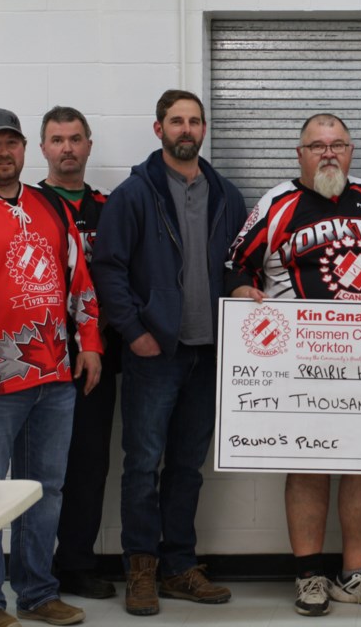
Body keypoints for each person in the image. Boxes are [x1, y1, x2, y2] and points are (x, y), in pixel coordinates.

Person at [227, 113, 361, 617]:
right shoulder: (277, 203)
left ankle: (356, 573)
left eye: (338, 145)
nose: (329, 154)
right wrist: (242, 287)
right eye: (317, 146)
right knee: (308, 459)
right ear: (300, 154)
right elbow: (237, 259)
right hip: (304, 358)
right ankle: (309, 575)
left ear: (351, 151)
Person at [92, 90, 246, 616]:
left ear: (204, 130)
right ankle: (141, 567)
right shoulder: (134, 194)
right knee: (142, 465)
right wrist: (134, 331)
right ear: (158, 129)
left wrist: (243, 294)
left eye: (194, 121)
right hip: (154, 353)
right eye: (176, 121)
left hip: (208, 354)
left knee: (187, 466)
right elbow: (108, 268)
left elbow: (239, 262)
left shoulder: (227, 194)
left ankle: (180, 565)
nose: (187, 129)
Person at [0, 108, 103, 627]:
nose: (3, 153)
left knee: (46, 489)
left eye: (12, 144)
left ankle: (38, 593)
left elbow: (78, 277)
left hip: (56, 376)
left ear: (25, 150)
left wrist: (89, 343)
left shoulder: (48, 204)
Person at [36, 105, 119, 601]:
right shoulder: (26, 205)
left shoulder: (110, 207)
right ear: (43, 148)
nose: (66, 147)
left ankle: (76, 564)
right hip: (38, 357)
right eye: (56, 139)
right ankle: (33, 568)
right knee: (41, 470)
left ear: (89, 144)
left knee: (89, 463)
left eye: (75, 138)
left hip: (96, 355)